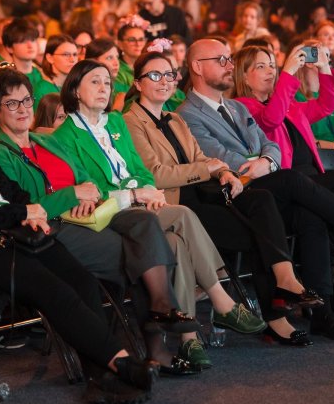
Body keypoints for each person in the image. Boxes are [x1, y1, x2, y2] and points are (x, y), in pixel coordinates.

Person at [0, 82, 158, 404]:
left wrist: (31, 212)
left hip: (13, 233)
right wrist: (21, 212)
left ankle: (100, 377)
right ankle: (121, 363)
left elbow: (14, 193)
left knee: (81, 280)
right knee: (48, 286)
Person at [178, 38, 334, 341]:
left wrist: (266, 160)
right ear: (197, 66)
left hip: (273, 186)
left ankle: (323, 313)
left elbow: (269, 143)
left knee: (314, 214)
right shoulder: (188, 114)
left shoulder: (233, 107)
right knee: (302, 181)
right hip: (240, 194)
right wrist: (263, 162)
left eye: (229, 59)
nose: (228, 65)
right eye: (221, 60)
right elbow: (222, 157)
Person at [0, 67, 217, 373]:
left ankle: (160, 322)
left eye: (27, 101)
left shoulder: (47, 141)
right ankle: (155, 341)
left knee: (150, 232)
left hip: (87, 219)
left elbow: (86, 180)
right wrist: (73, 195)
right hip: (50, 233)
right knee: (144, 254)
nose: (23, 109)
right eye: (11, 103)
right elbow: (23, 208)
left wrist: (87, 195)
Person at [49, 60, 266, 360]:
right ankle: (221, 301)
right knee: (182, 214)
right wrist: (135, 194)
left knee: (176, 241)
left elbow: (140, 169)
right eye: (94, 82)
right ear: (75, 89)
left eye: (107, 83)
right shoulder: (63, 136)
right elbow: (89, 188)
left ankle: (189, 340)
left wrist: (148, 192)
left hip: (139, 204)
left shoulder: (115, 122)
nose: (103, 89)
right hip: (110, 211)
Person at [124, 51, 325, 346]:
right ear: (138, 83)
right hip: (177, 205)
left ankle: (285, 283)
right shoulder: (130, 122)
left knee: (261, 202)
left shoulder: (175, 119)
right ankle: (275, 316)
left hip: (206, 195)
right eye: (155, 75)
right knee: (259, 228)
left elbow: (202, 158)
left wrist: (224, 173)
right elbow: (155, 175)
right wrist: (207, 169)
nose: (164, 81)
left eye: (169, 75)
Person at [1, 18, 59, 106]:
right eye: (23, 41)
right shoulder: (5, 78)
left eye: (33, 40)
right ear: (9, 47)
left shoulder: (42, 73)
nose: (30, 45)